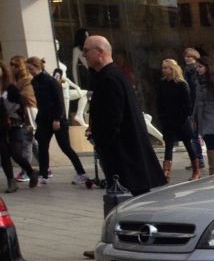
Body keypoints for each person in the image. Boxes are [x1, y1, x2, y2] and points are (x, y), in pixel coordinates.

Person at [82, 35, 165, 198]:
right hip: (125, 154)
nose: (84, 55)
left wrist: (101, 141)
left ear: (99, 52)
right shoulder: (108, 76)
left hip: (124, 155)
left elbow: (113, 118)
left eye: (86, 51)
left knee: (131, 203)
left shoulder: (110, 78)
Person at [27, 56, 88, 185]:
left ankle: (81, 173)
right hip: (43, 119)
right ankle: (44, 175)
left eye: (31, 68)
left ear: (37, 67)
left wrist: (57, 119)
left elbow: (59, 102)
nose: (29, 71)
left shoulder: (51, 81)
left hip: (57, 119)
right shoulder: (35, 82)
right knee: (43, 147)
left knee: (65, 147)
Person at [156, 58, 198, 181]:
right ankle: (166, 171)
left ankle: (196, 170)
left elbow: (187, 104)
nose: (163, 70)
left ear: (172, 69)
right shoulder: (162, 83)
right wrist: (162, 117)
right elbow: (159, 102)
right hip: (168, 120)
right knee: (168, 146)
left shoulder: (181, 84)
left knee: (188, 145)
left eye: (166, 68)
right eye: (163, 68)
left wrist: (183, 117)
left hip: (181, 120)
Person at [1, 67, 38, 192]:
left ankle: (31, 172)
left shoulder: (10, 88)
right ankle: (11, 182)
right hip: (1, 127)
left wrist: (16, 115)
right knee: (4, 154)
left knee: (16, 154)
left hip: (14, 125)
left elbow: (22, 103)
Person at [191, 55, 214, 173]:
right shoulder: (198, 83)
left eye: (200, 67)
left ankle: (213, 171)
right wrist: (194, 117)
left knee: (211, 144)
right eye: (197, 67)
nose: (198, 69)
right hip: (203, 119)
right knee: (210, 144)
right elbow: (197, 102)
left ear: (207, 67)